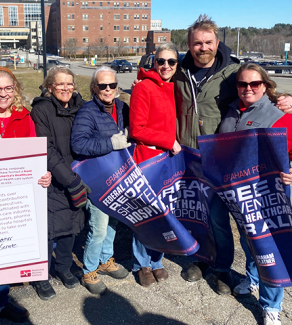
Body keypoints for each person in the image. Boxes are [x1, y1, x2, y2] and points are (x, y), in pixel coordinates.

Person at [173, 14, 292, 295]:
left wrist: (287, 99)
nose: (203, 48)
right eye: (197, 43)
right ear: (188, 45)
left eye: (208, 42)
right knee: (198, 215)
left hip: (221, 160)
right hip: (187, 155)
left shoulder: (232, 71)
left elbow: (257, 92)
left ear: (217, 42)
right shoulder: (177, 70)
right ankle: (203, 259)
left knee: (225, 220)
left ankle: (223, 268)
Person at [0, 67, 51, 325]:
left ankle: (1, 304)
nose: (3, 94)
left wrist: (42, 176)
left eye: (8, 88)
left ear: (14, 89)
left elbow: (32, 159)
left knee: (7, 256)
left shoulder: (24, 117)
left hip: (14, 202)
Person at [219, 63, 292, 325]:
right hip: (238, 193)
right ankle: (251, 280)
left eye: (255, 84)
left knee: (267, 246)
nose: (248, 88)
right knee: (249, 242)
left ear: (265, 85)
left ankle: (272, 304)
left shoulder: (279, 115)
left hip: (267, 194)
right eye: (242, 84)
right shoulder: (229, 112)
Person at [30, 66, 88, 300]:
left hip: (77, 175)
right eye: (60, 84)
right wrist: (70, 179)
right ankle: (41, 276)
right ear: (50, 87)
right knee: (50, 229)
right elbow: (46, 148)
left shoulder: (80, 108)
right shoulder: (41, 110)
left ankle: (63, 268)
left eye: (69, 83)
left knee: (71, 226)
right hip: (55, 178)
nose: (65, 88)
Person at [71, 66, 130, 295]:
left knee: (113, 222)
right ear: (94, 87)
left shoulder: (122, 107)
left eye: (112, 85)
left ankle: (106, 260)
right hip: (97, 181)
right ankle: (89, 270)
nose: (108, 90)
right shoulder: (88, 112)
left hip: (117, 177)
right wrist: (110, 144)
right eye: (102, 85)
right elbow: (78, 144)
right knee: (99, 228)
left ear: (117, 86)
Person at [129, 42, 181, 287]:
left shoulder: (173, 88)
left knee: (163, 214)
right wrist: (169, 141)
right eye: (161, 61)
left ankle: (157, 259)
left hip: (168, 160)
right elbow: (137, 130)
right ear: (154, 62)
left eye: (171, 62)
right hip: (149, 160)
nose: (166, 66)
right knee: (146, 215)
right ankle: (142, 263)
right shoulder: (144, 88)